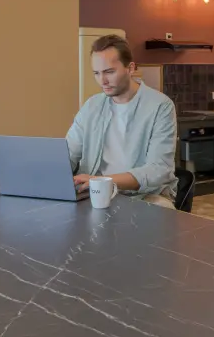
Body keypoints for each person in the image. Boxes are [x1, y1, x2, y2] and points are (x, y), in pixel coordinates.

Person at [66, 34, 178, 208]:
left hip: (143, 194)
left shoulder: (160, 106)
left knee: (163, 208)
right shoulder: (92, 106)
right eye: (97, 73)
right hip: (93, 192)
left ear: (130, 68)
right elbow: (69, 153)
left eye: (109, 72)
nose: (102, 81)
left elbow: (159, 169)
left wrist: (103, 181)